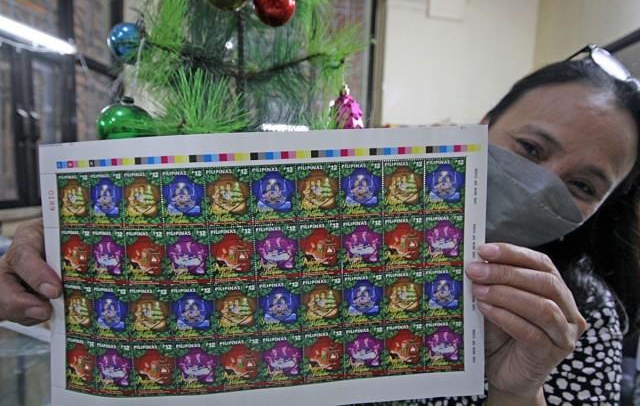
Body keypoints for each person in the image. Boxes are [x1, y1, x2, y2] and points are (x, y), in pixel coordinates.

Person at [0, 46, 639, 405]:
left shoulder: (582, 316)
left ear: (604, 205)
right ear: (484, 127)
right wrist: (74, 249)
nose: (544, 182)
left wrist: (517, 393)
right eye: (530, 148)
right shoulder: (360, 217)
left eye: (583, 184)